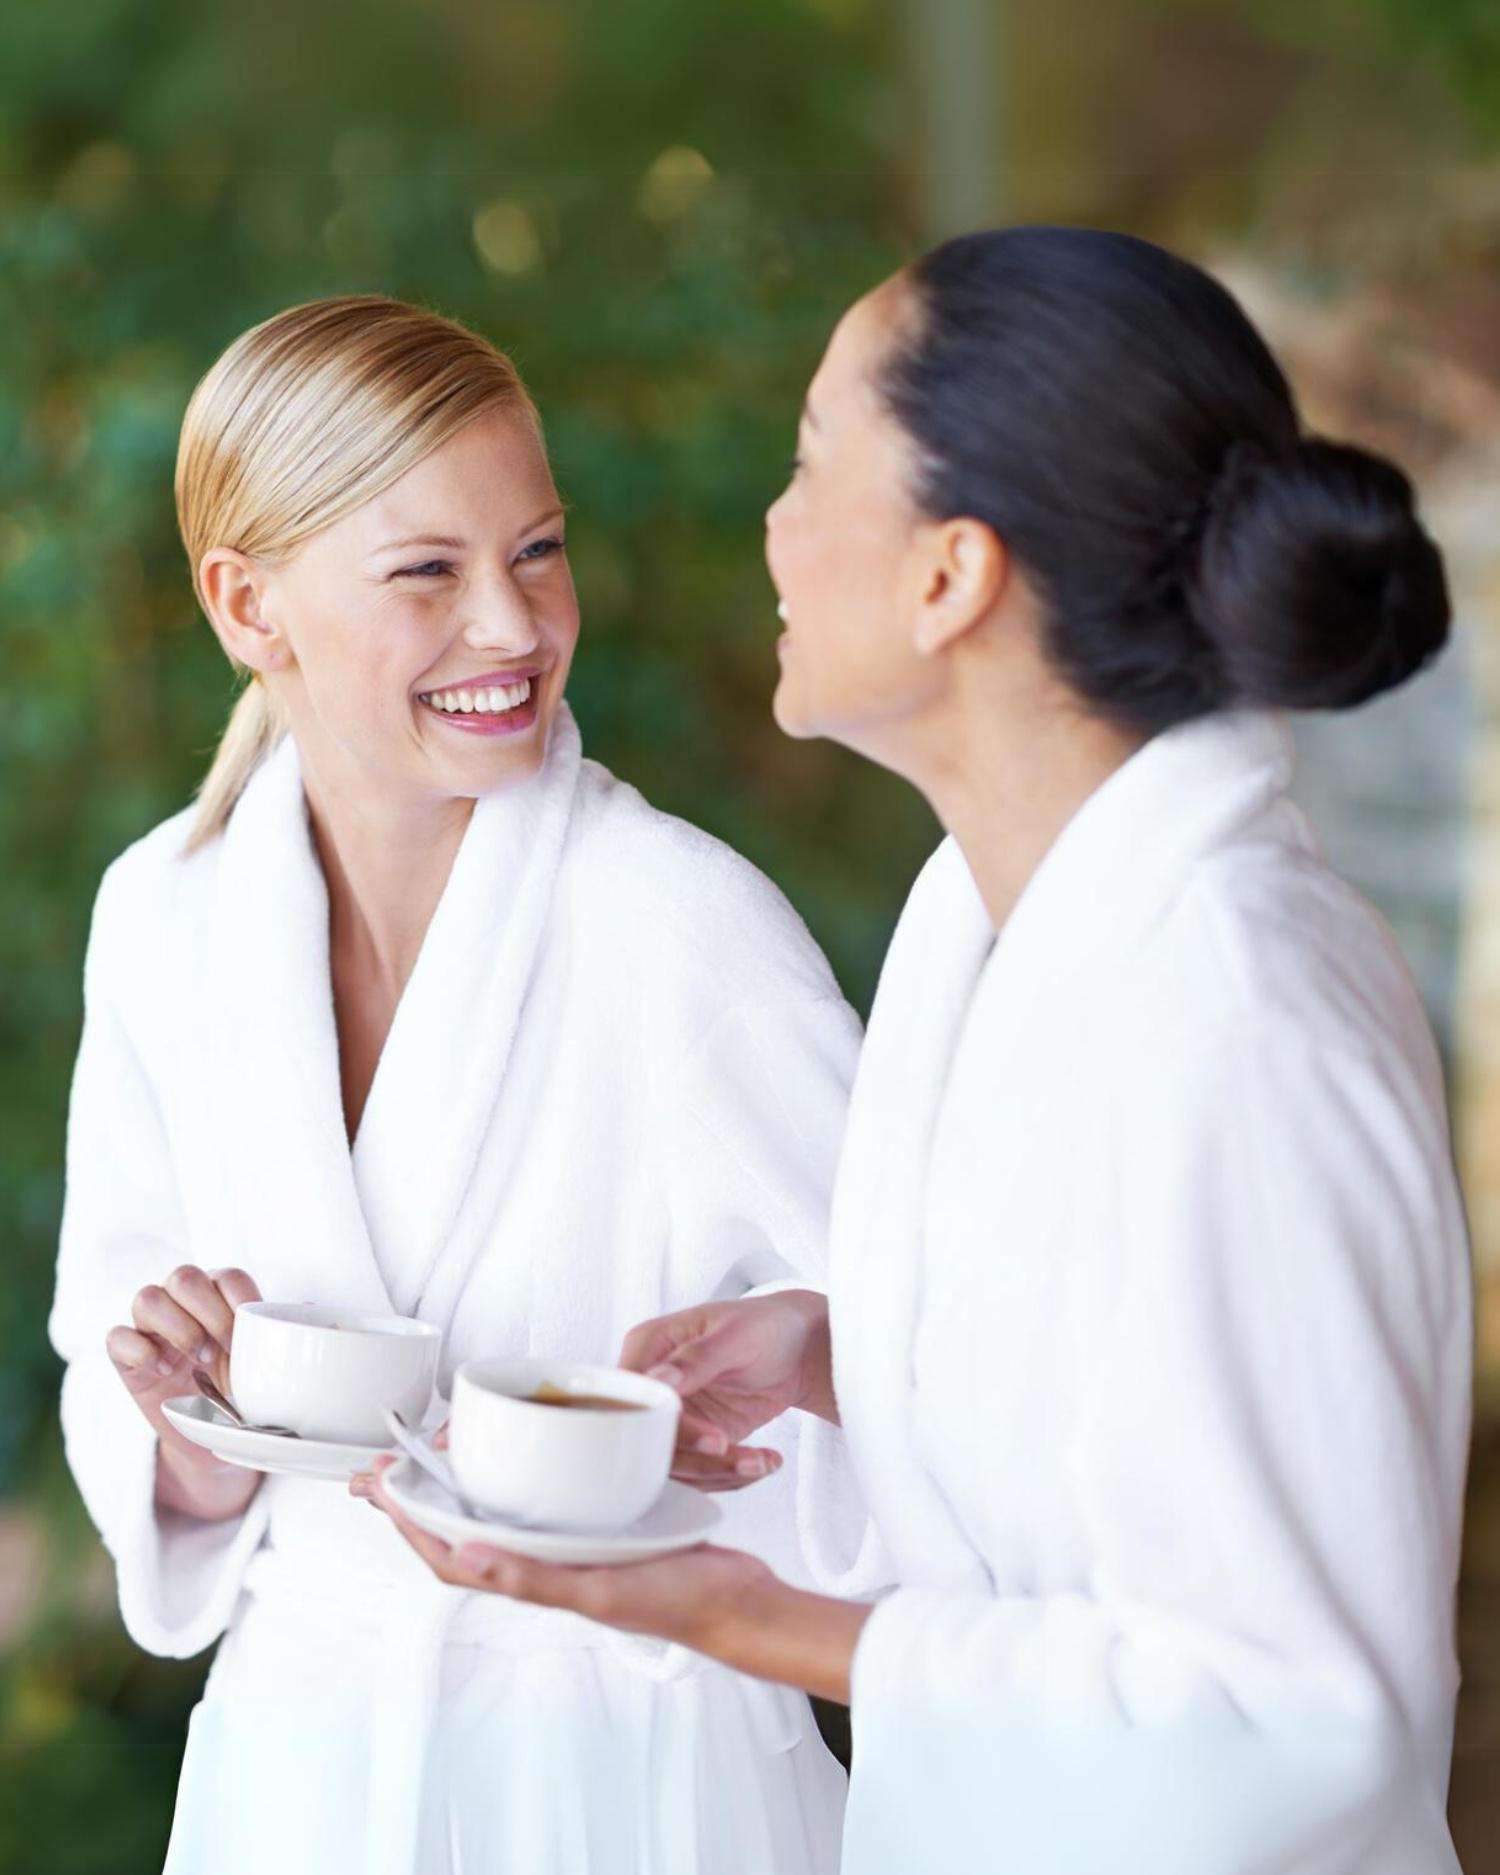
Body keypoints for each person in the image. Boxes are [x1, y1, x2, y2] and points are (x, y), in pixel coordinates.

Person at [365, 229, 1474, 1874]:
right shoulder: (987, 919)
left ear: (953, 574)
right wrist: (852, 1359)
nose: (776, 523)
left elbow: (1294, 1706)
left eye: (816, 459)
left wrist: (755, 1621)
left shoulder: (1238, 1010)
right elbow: (1104, 1448)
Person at [49, 294, 877, 1875]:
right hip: (296, 1766)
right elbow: (107, 1327)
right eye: (428, 572)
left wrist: (764, 1401)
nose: (513, 628)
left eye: (539, 551)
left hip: (634, 1775)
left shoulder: (675, 923)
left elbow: (942, 1380)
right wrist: (194, 1431)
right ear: (247, 604)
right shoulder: (163, 917)